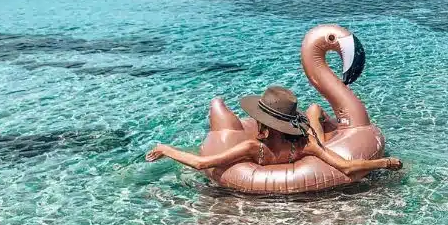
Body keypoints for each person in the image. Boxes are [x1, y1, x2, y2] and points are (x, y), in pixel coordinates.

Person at [145, 85, 402, 176]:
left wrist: (165, 149)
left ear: (263, 124)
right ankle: (327, 122)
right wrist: (386, 162)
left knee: (313, 111)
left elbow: (201, 164)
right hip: (312, 138)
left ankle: (321, 118)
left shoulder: (253, 148)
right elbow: (346, 166)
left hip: (301, 138)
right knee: (314, 110)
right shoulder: (306, 145)